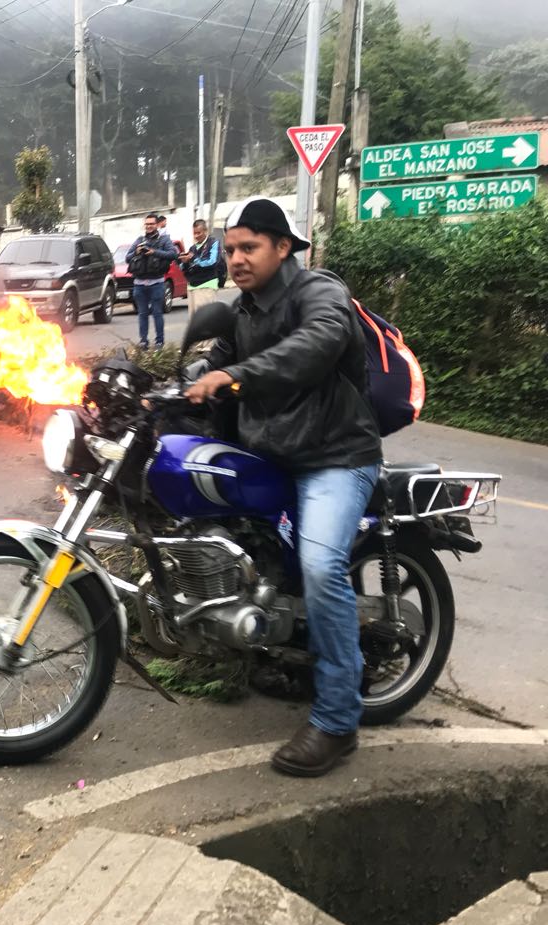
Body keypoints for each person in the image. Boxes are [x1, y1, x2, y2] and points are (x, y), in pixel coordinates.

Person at [185, 196, 383, 778]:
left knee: (322, 567)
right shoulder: (243, 311)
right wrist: (172, 388)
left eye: (249, 247)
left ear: (283, 247)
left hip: (335, 457)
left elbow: (313, 346)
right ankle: (273, 642)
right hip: (273, 455)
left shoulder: (321, 293)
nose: (236, 259)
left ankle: (338, 721)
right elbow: (213, 366)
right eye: (229, 249)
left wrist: (235, 377)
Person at [124, 213, 178, 349]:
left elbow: (173, 254)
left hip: (157, 283)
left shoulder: (164, 240)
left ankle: (159, 341)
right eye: (147, 224)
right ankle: (143, 341)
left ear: (157, 225)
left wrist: (154, 252)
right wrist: (136, 252)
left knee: (157, 313)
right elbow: (127, 258)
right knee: (142, 314)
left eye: (151, 224)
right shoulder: (139, 240)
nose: (149, 226)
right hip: (139, 284)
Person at [180, 218, 223, 318]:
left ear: (205, 231)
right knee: (194, 323)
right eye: (194, 233)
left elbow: (212, 262)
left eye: (199, 233)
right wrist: (184, 262)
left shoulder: (213, 243)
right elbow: (184, 268)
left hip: (207, 286)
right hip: (192, 287)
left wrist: (194, 258)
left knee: (206, 321)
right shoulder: (192, 248)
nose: (196, 236)